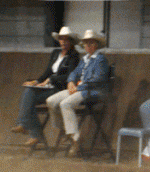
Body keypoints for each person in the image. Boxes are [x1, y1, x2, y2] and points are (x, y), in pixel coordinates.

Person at [10, 27, 81, 147]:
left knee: (29, 97)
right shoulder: (55, 53)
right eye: (61, 39)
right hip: (48, 87)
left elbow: (69, 76)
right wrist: (37, 81)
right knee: (29, 92)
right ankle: (28, 128)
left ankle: (31, 131)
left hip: (59, 89)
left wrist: (51, 79)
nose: (63, 41)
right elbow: (47, 71)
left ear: (71, 41)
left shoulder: (74, 56)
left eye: (66, 39)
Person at [46, 29, 109, 157]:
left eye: (91, 43)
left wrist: (79, 86)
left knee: (65, 104)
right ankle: (66, 130)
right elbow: (75, 72)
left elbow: (98, 79)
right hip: (81, 89)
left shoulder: (100, 59)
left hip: (92, 91)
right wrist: (70, 82)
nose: (87, 46)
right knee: (51, 101)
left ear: (96, 45)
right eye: (86, 43)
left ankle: (75, 138)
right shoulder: (85, 59)